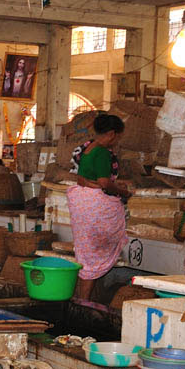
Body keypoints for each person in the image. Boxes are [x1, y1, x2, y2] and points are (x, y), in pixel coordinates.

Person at [67, 113, 132, 302]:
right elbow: (104, 183)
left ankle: (82, 301)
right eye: (118, 136)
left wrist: (93, 184)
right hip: (95, 207)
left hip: (83, 206)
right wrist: (123, 192)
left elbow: (81, 180)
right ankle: (84, 303)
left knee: (87, 256)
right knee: (95, 256)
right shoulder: (103, 153)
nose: (117, 141)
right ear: (111, 134)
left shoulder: (87, 149)